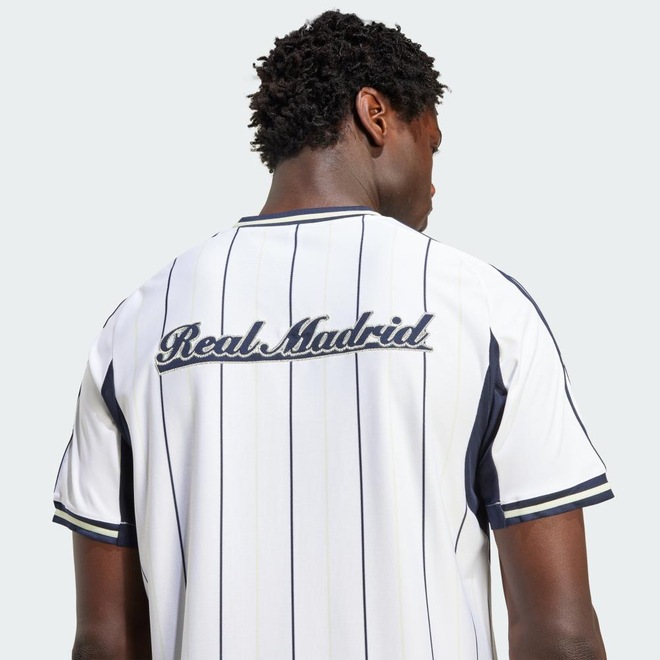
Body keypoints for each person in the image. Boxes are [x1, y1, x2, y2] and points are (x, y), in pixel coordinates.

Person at [53, 9, 613, 660]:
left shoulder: (135, 327)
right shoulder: (484, 308)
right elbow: (560, 634)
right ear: (376, 115)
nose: (434, 180)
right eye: (431, 144)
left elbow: (105, 640)